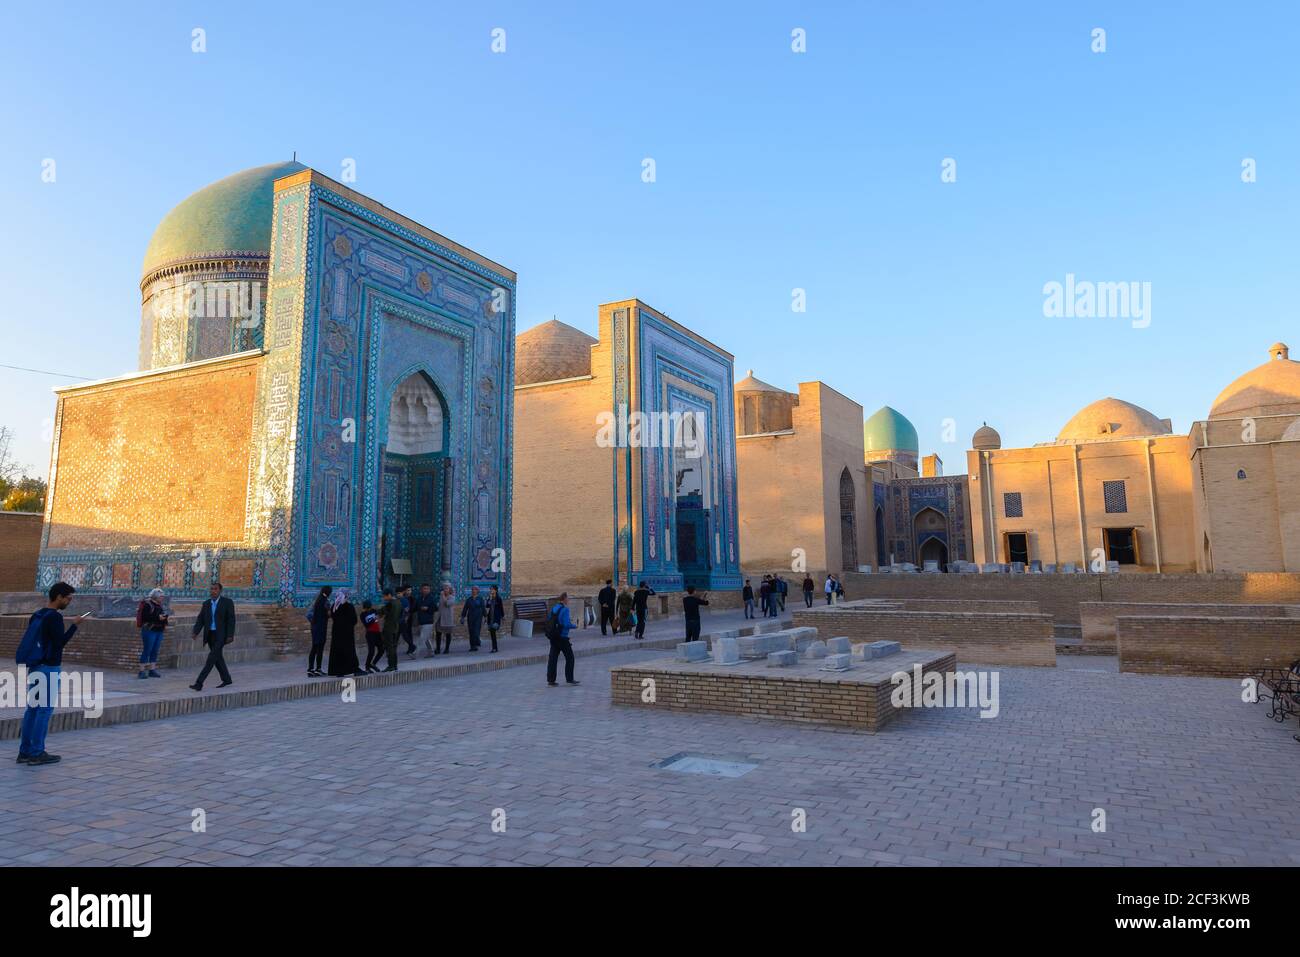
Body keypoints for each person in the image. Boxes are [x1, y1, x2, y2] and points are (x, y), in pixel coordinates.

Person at [16, 581, 89, 765]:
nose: (69, 602)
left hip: (35, 665)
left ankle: (24, 751)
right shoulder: (54, 617)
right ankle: (37, 752)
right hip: (49, 668)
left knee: (32, 709)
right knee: (44, 709)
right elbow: (59, 644)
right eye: (68, 598)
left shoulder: (38, 614)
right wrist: (74, 625)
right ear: (59, 597)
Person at [189, 582, 236, 691]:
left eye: (215, 589)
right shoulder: (206, 604)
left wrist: (230, 635)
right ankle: (227, 679)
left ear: (220, 591)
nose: (213, 591)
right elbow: (201, 619)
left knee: (211, 659)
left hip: (221, 635)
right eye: (211, 589)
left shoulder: (227, 602)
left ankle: (199, 683)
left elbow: (231, 620)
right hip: (210, 635)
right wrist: (196, 632)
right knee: (217, 658)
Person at [327, 589, 364, 676]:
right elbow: (354, 620)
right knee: (349, 651)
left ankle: (338, 671)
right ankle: (354, 669)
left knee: (337, 651)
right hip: (347, 634)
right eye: (347, 596)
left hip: (336, 633)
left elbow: (333, 617)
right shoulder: (349, 606)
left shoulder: (334, 606)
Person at [545, 592, 578, 686]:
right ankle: (570, 678)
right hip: (562, 637)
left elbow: (549, 620)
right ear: (564, 599)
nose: (569, 600)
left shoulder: (554, 608)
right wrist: (574, 626)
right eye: (568, 598)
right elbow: (566, 624)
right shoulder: (565, 610)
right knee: (570, 657)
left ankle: (551, 680)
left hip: (553, 636)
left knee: (553, 658)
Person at [135, 588, 169, 679]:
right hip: (149, 630)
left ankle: (152, 670)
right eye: (161, 596)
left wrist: (164, 618)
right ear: (156, 596)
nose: (162, 598)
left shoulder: (159, 605)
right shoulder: (148, 604)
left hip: (158, 630)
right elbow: (146, 617)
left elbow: (162, 616)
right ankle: (142, 671)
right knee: (147, 649)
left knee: (155, 650)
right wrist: (158, 617)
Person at [307, 585, 332, 676]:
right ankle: (318, 668)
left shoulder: (317, 600)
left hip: (314, 627)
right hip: (321, 627)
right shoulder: (326, 602)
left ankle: (310, 669)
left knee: (314, 648)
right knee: (320, 649)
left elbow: (309, 614)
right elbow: (329, 614)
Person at [380, 587, 402, 672]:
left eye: (384, 596)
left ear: (389, 595)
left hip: (389, 628)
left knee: (389, 647)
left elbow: (383, 612)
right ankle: (394, 665)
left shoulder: (390, 604)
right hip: (396, 627)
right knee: (393, 646)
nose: (384, 598)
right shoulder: (398, 603)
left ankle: (391, 665)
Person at [460, 586, 486, 652]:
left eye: (475, 589)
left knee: (476, 631)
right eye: (472, 589)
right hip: (470, 617)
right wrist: (462, 617)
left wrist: (485, 616)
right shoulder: (469, 599)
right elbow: (465, 608)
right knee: (471, 632)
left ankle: (477, 641)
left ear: (477, 591)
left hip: (478, 617)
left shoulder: (480, 599)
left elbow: (483, 608)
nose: (473, 591)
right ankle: (472, 646)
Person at [415, 583, 437, 657]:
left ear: (429, 590)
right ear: (421, 589)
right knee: (426, 638)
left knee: (422, 638)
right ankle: (431, 652)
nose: (426, 590)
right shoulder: (419, 598)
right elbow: (415, 607)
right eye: (424, 588)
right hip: (421, 620)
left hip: (428, 621)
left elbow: (435, 608)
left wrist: (428, 609)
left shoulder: (432, 599)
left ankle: (415, 653)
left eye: (427, 589)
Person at [361, 600, 384, 672]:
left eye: (369, 608)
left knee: (381, 650)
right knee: (371, 651)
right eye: (367, 608)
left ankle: (373, 664)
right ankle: (367, 667)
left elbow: (380, 613)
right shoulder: (363, 615)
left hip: (377, 633)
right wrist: (374, 618)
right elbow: (366, 625)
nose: (368, 609)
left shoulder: (374, 611)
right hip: (370, 633)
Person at [436, 583, 456, 654]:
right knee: (438, 633)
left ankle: (447, 648)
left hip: (448, 618)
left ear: (449, 589)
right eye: (444, 588)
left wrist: (443, 596)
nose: (445, 590)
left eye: (447, 588)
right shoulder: (441, 596)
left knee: (448, 634)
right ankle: (438, 648)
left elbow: (447, 604)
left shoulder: (452, 597)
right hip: (440, 618)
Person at [486, 584, 505, 652]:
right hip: (490, 618)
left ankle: (494, 648)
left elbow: (501, 608)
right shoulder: (489, 598)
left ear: (496, 590)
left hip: (496, 618)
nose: (491, 590)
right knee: (492, 634)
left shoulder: (498, 598)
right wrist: (489, 600)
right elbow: (487, 606)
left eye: (492, 589)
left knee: (493, 631)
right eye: (490, 589)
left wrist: (503, 616)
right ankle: (494, 648)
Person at [399, 585, 416, 657]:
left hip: (409, 618)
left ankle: (411, 647)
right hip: (401, 619)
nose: (409, 592)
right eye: (408, 590)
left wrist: (408, 615)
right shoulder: (402, 599)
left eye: (410, 590)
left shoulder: (412, 599)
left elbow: (413, 608)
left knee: (408, 633)